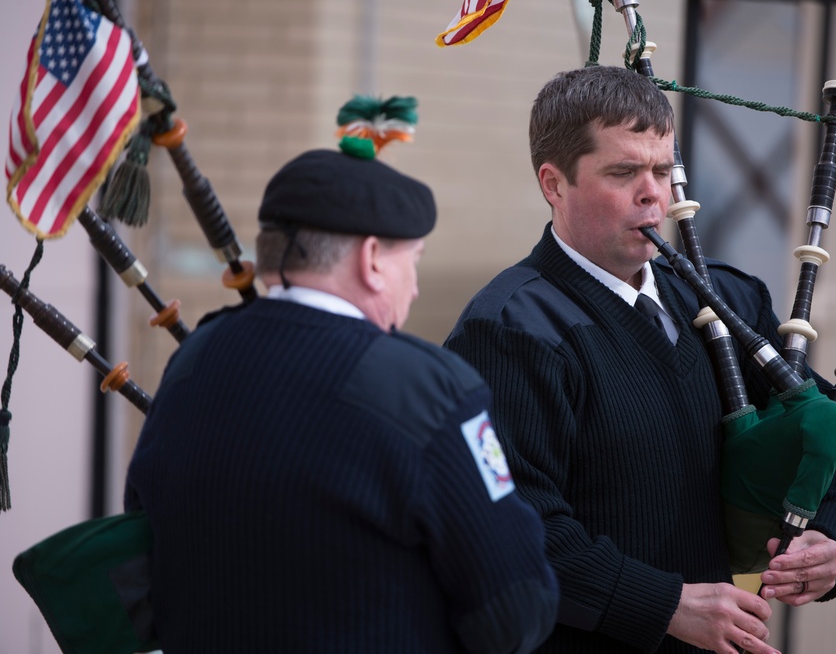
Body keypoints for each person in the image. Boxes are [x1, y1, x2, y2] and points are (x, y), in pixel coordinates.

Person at [443, 65, 836, 654]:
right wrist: (665, 603)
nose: (654, 193)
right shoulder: (510, 330)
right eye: (623, 172)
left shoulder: (728, 300)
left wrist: (832, 537)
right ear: (554, 183)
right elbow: (513, 529)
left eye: (663, 169)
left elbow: (833, 433)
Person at [124, 148, 559, 653]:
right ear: (372, 258)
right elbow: (515, 610)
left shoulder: (193, 361)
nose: (414, 288)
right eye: (411, 262)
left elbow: (143, 539)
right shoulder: (422, 386)